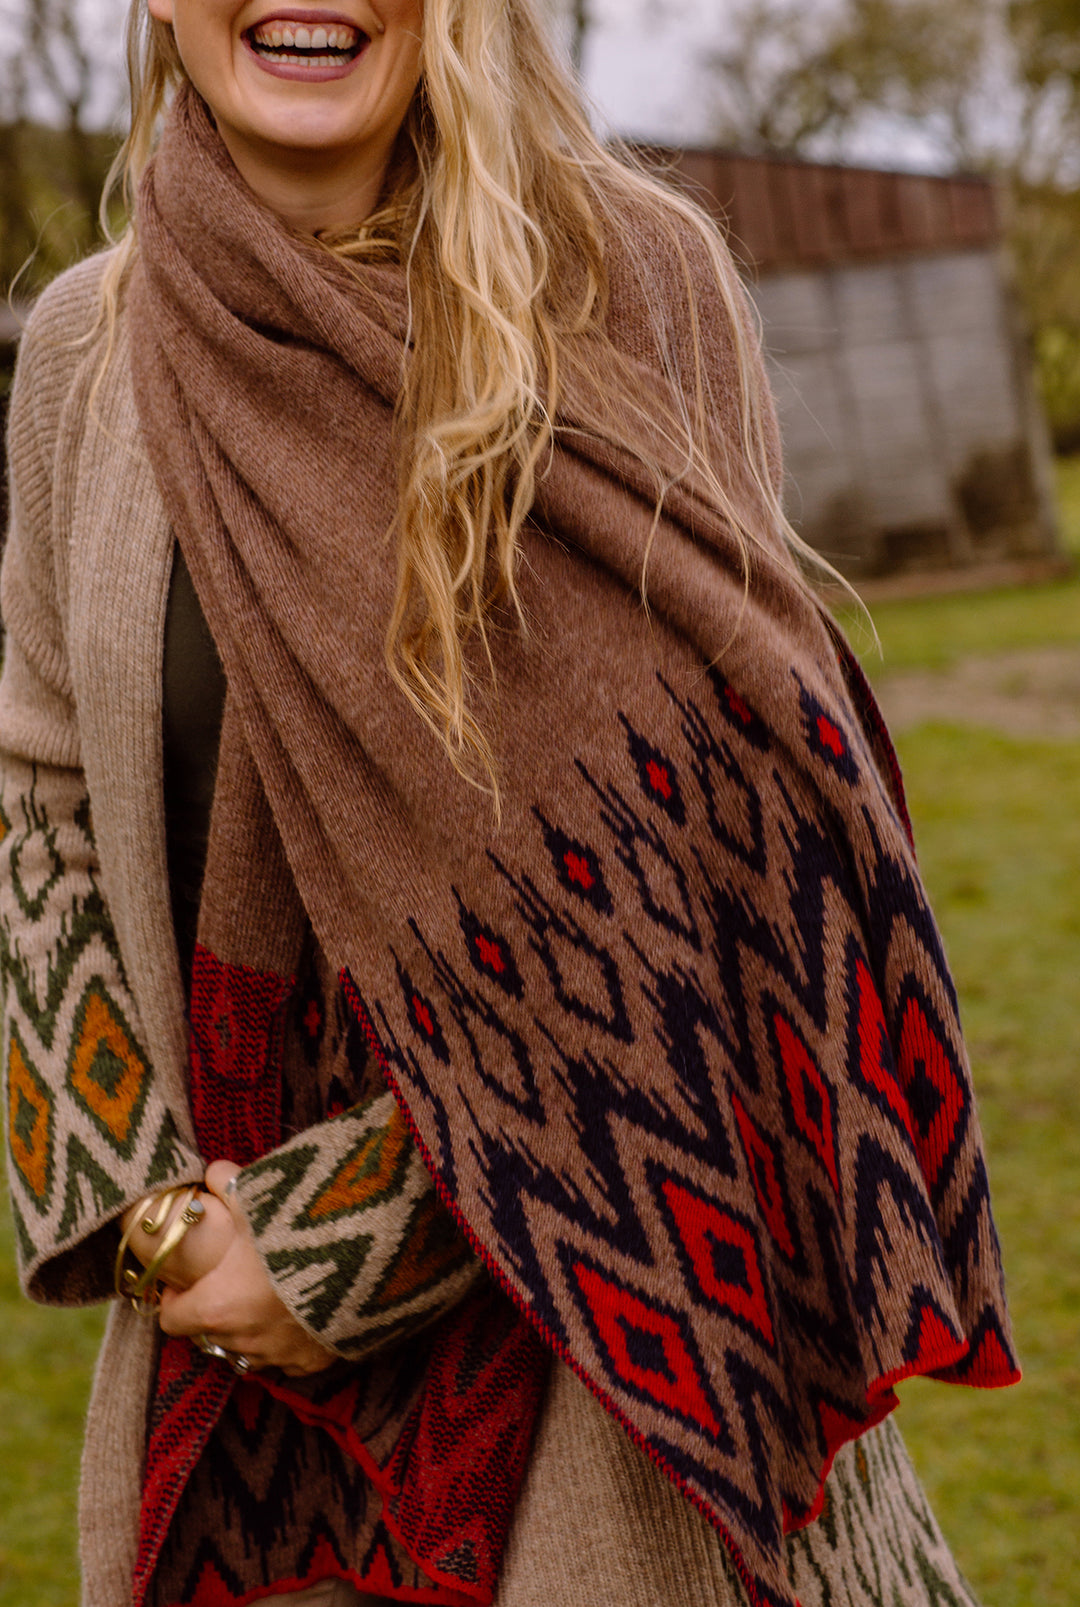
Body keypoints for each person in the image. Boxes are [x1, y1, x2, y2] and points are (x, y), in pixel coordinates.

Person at [0, 2, 1020, 1605]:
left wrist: (341, 1240)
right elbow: (43, 793)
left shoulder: (634, 285)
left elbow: (721, 866)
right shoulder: (85, 349)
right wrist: (158, 1226)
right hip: (221, 1379)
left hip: (611, 1335)